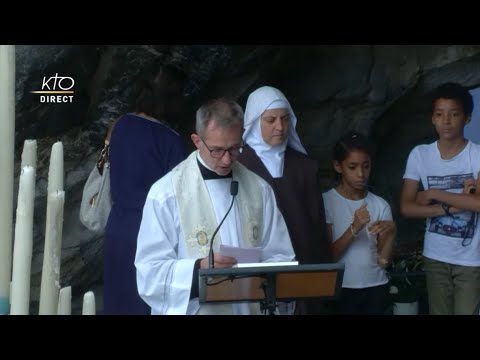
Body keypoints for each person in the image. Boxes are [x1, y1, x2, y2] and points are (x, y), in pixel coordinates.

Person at [135, 98, 295, 315]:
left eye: (235, 148)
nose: (228, 160)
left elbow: (281, 256)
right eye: (218, 150)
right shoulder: (166, 194)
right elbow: (149, 273)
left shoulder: (259, 189)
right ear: (197, 141)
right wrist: (198, 270)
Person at [237, 85, 332, 314]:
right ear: (254, 121)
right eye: (270, 120)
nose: (280, 127)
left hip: (303, 269)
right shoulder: (239, 166)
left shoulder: (305, 167)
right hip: (254, 272)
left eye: (285, 119)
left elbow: (317, 224)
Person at [104, 65, 187, 315]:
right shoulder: (170, 140)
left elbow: (105, 168)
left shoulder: (119, 125)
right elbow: (180, 198)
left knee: (117, 302)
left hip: (117, 228)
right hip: (153, 235)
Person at [400, 82, 480, 315]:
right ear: (432, 118)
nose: (446, 121)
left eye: (454, 114)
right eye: (439, 114)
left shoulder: (476, 154)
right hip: (435, 256)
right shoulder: (420, 155)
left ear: (467, 118)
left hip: (471, 259)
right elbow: (407, 207)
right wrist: (453, 208)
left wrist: (433, 194)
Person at [322, 131, 396, 315]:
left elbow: (383, 262)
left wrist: (392, 232)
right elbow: (327, 258)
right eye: (352, 167)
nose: (361, 174)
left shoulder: (380, 204)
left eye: (366, 166)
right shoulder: (326, 202)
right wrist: (355, 227)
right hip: (341, 288)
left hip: (376, 286)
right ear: (338, 166)